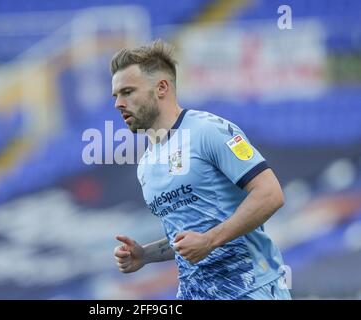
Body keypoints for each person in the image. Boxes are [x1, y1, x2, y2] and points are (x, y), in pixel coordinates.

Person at [110, 39, 291, 300]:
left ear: (161, 87)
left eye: (127, 92)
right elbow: (190, 236)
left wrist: (210, 241)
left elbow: (270, 194)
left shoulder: (208, 131)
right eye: (116, 95)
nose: (118, 103)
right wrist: (145, 255)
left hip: (251, 289)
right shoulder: (146, 165)